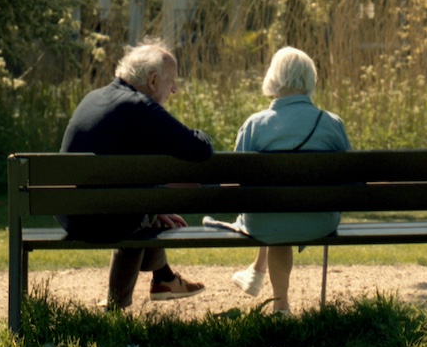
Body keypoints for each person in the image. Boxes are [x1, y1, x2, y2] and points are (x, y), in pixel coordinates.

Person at [58, 38, 212, 309]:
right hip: (106, 220)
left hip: (69, 215)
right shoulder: (140, 107)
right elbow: (199, 149)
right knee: (140, 217)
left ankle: (164, 278)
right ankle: (118, 306)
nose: (174, 90)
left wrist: (150, 205)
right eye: (171, 81)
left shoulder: (94, 97)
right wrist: (149, 208)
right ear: (153, 80)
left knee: (141, 209)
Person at [204, 46, 350, 314]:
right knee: (279, 214)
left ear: (274, 78)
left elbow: (236, 181)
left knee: (273, 216)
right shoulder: (332, 123)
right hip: (320, 220)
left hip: (266, 222)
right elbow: (352, 179)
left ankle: (279, 304)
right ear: (310, 79)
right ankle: (258, 273)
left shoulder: (255, 125)